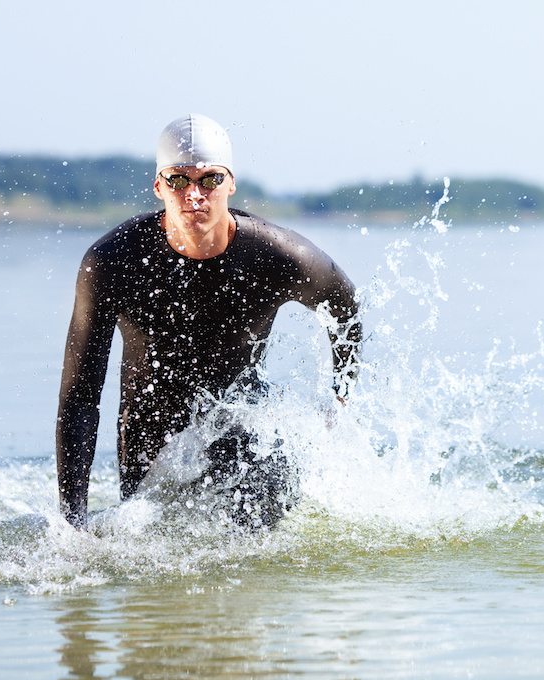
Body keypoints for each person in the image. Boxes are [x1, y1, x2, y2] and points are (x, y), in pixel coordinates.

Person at [56, 114, 361, 531]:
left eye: (210, 179)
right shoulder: (113, 263)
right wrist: (72, 527)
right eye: (179, 180)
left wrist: (339, 398)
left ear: (231, 184)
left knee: (255, 525)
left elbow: (346, 308)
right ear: (159, 186)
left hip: (242, 426)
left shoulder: (278, 256)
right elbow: (79, 399)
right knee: (150, 544)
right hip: (151, 440)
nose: (194, 194)